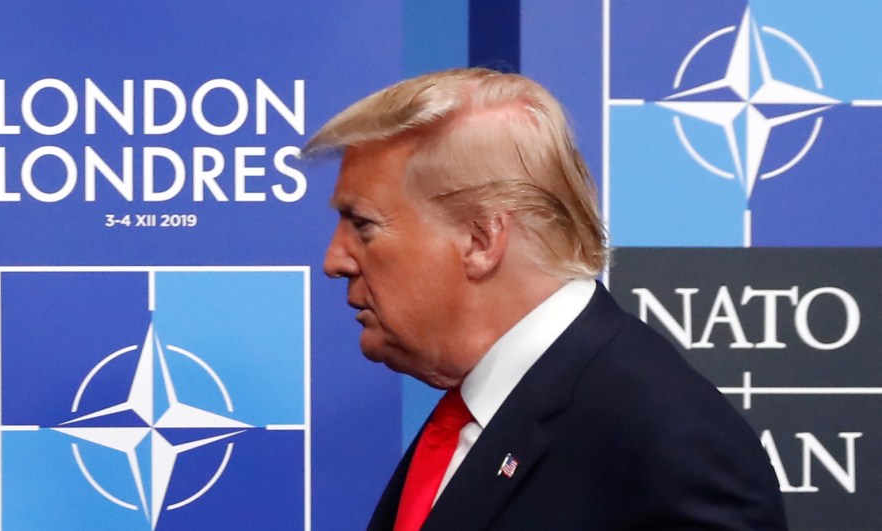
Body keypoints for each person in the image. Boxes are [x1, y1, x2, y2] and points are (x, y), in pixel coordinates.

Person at [306, 68, 787, 530]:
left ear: (480, 239)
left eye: (362, 225)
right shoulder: (478, 410)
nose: (335, 259)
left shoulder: (671, 445)